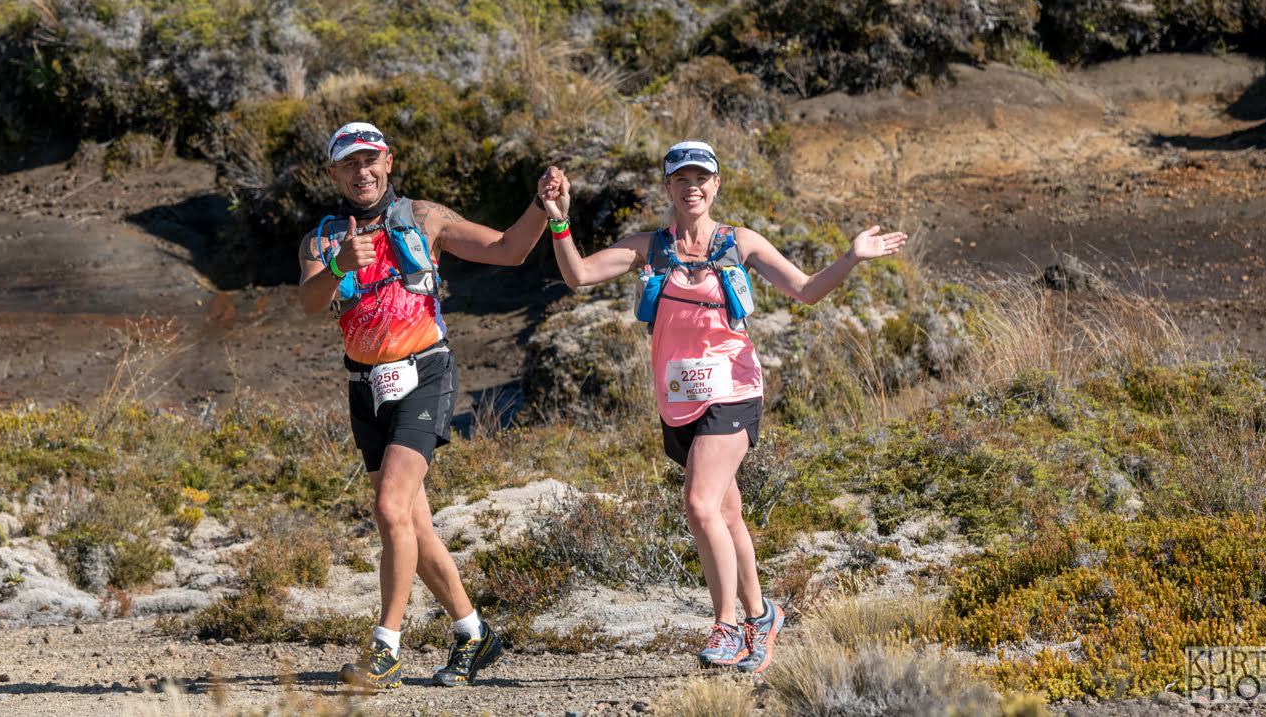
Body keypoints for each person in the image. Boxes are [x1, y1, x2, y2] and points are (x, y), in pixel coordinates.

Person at [536, 141, 907, 674]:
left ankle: (726, 625)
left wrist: (851, 256)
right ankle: (762, 615)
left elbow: (805, 290)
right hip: (678, 398)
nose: (692, 187)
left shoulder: (740, 242)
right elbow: (579, 276)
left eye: (701, 178)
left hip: (733, 390)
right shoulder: (652, 246)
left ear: (716, 186)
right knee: (727, 515)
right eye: (681, 179)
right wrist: (558, 223)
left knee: (700, 505)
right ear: (667, 187)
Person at [298, 121, 551, 691]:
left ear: (388, 163)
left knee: (390, 509)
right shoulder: (321, 239)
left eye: (371, 160)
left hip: (424, 373)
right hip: (365, 386)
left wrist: (541, 206)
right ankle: (473, 633)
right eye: (349, 164)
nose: (362, 172)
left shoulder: (425, 218)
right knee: (413, 520)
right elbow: (308, 302)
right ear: (333, 173)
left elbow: (509, 251)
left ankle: (385, 651)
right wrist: (340, 263)